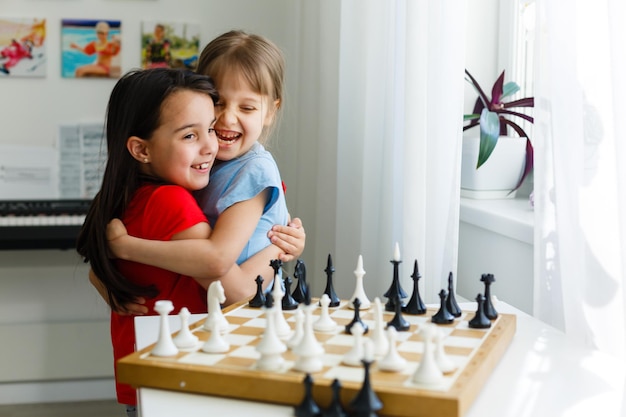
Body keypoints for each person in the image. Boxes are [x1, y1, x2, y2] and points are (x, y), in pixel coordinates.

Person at [76, 68, 298, 416]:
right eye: (190, 136)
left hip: (147, 369)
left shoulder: (125, 198)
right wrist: (279, 247)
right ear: (141, 149)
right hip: (182, 373)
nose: (212, 144)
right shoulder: (170, 202)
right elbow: (234, 289)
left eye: (209, 128)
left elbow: (97, 274)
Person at [106, 30, 303, 305]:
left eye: (247, 108)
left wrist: (128, 248)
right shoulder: (201, 164)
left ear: (270, 111)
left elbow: (218, 259)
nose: (227, 118)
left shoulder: (254, 171)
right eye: (218, 101)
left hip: (250, 314)